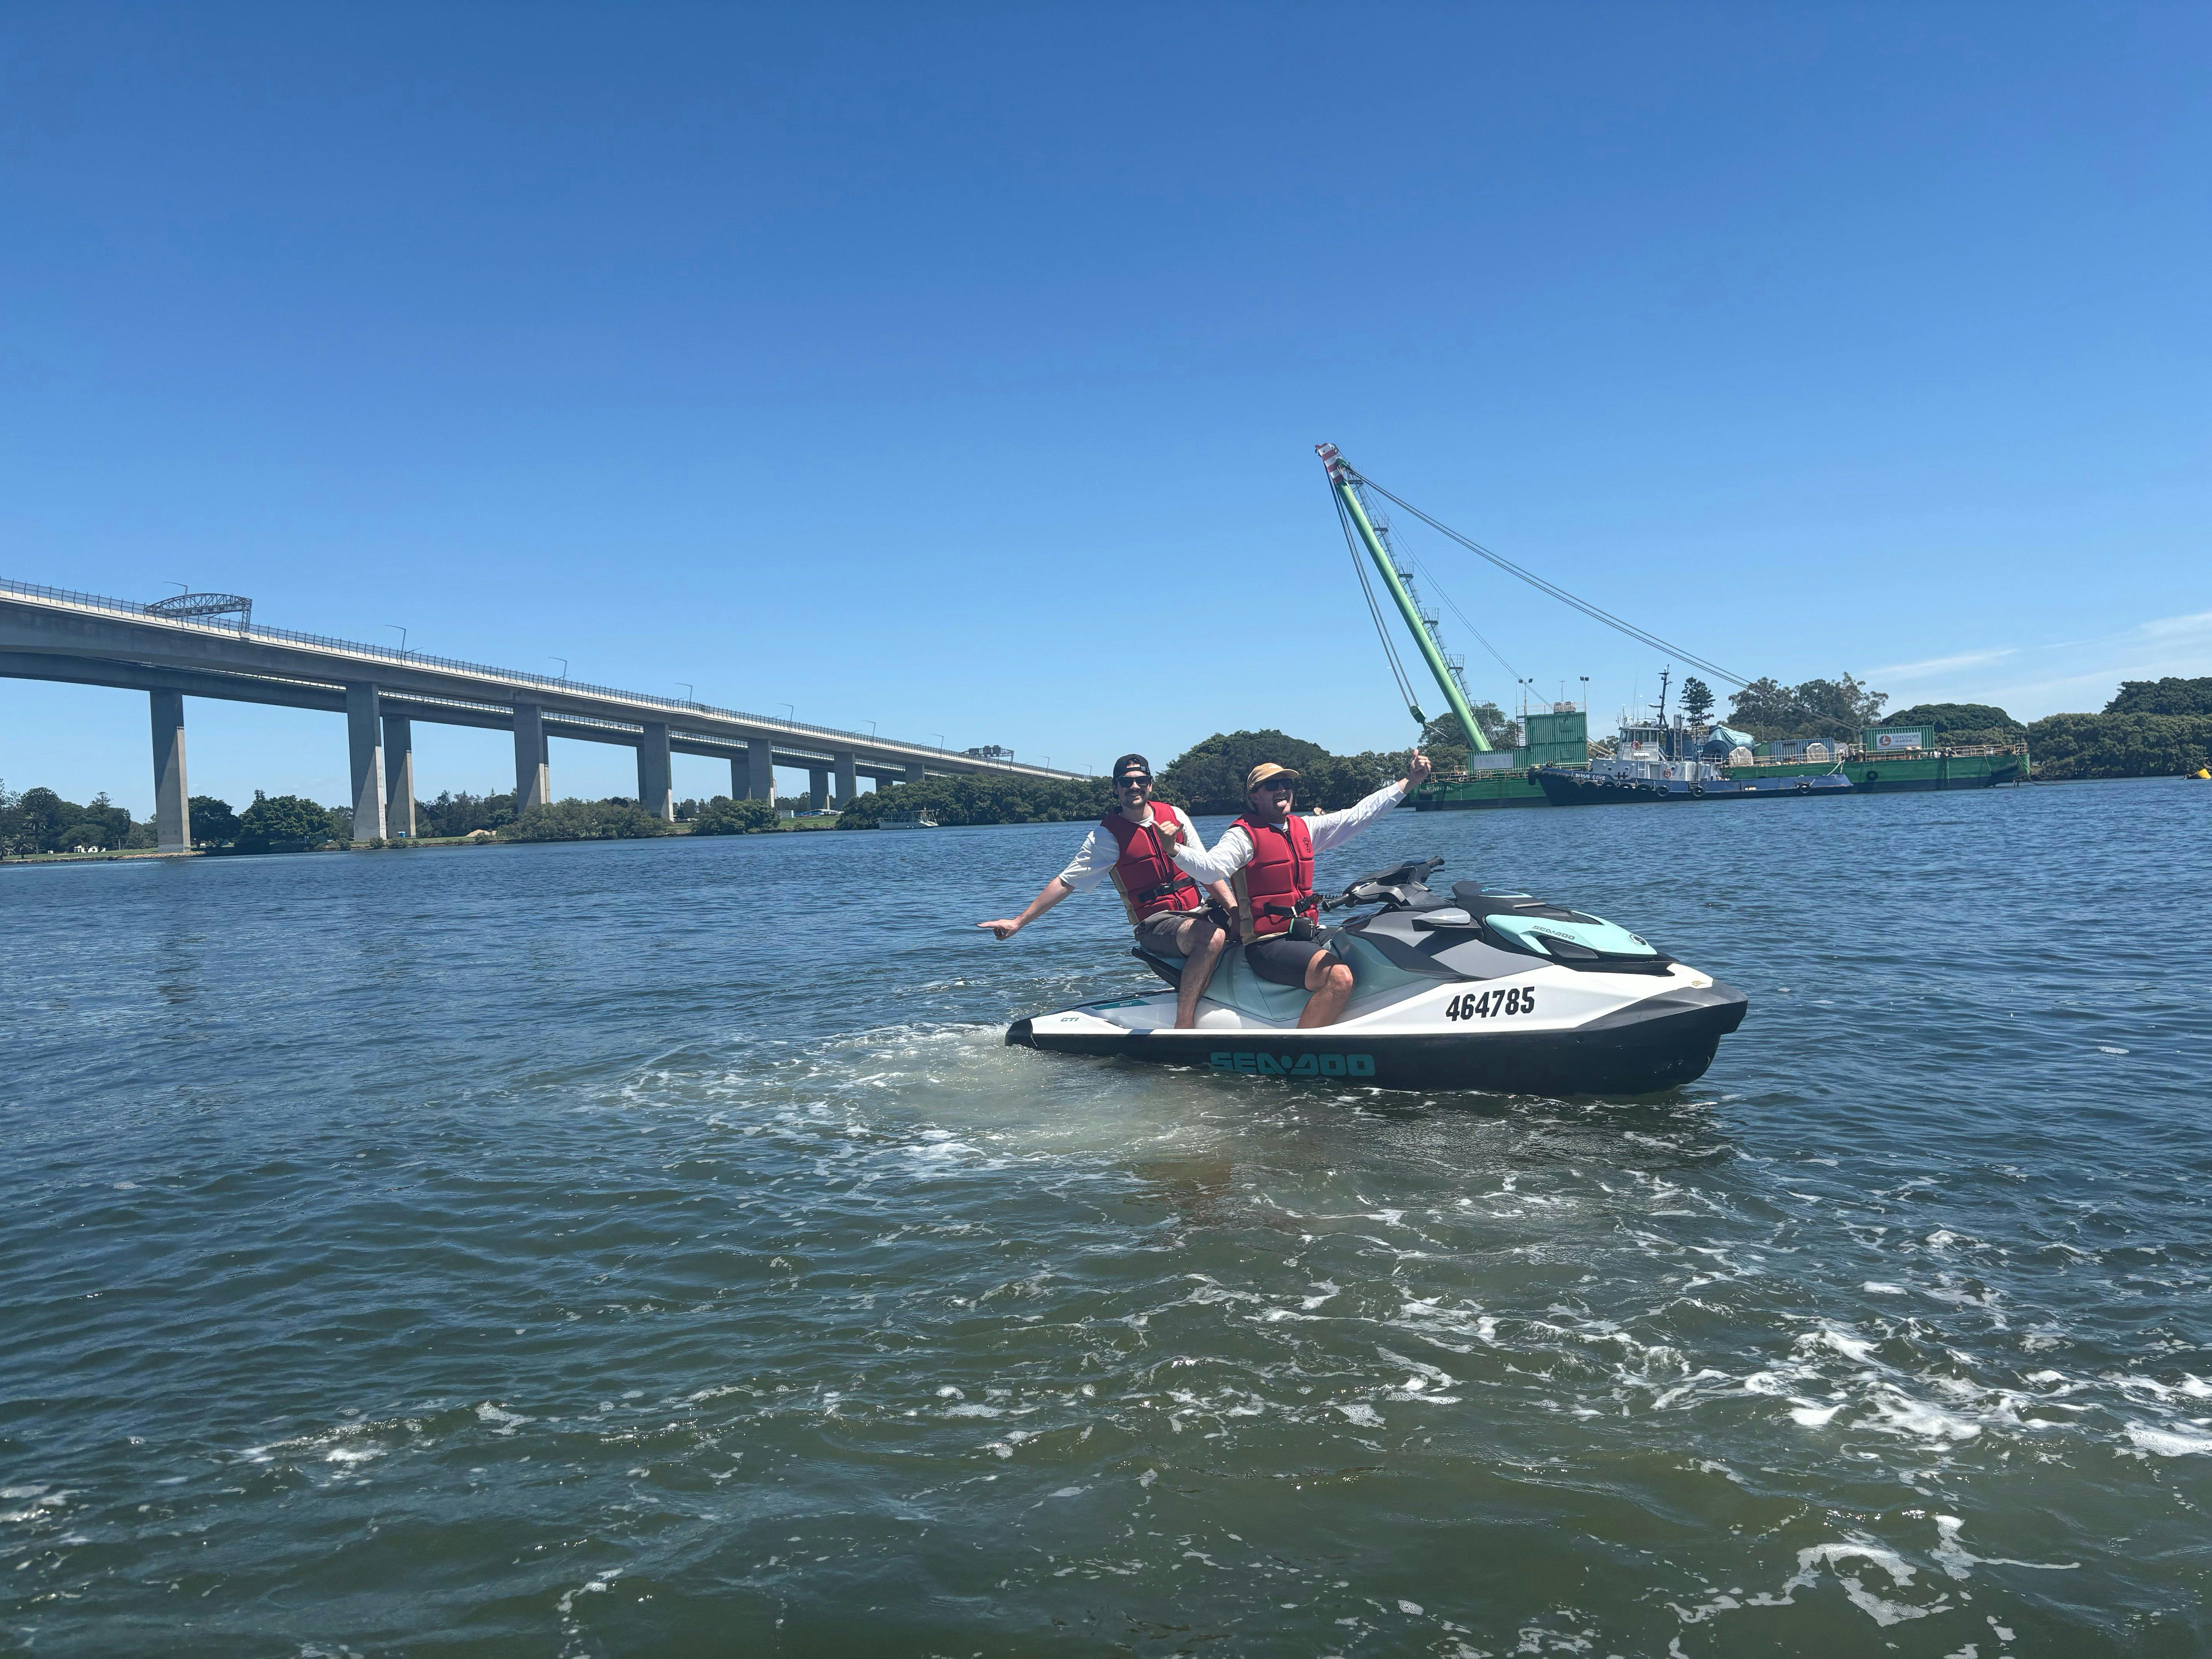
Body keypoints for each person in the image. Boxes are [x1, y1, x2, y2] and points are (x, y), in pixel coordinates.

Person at [1168, 753, 1433, 1029]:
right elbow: (1211, 870)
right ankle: (1301, 1050)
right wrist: (1175, 849)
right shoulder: (1242, 836)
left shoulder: (1303, 828)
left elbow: (1359, 816)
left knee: (1372, 939)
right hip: (1268, 943)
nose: (1282, 789)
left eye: (1286, 783)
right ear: (1254, 797)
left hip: (1306, 932)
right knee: (1339, 978)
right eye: (1272, 785)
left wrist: (1410, 781)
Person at [977, 753, 1237, 1029]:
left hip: (1198, 910)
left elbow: (1206, 872)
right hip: (1156, 924)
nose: (1134, 787)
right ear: (1116, 788)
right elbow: (1067, 881)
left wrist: (1236, 911)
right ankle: (1184, 1023)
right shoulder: (1107, 836)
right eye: (1126, 782)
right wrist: (1018, 922)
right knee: (1211, 938)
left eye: (1141, 780)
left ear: (1150, 784)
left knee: (1253, 917)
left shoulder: (1175, 816)